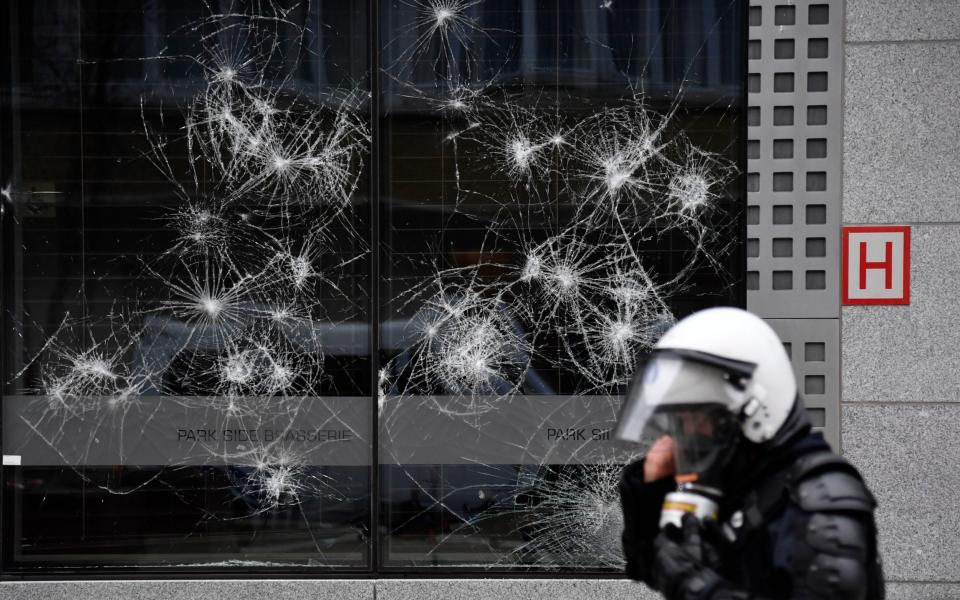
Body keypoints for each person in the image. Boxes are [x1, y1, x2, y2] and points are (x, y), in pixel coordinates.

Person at [616, 307, 884, 599]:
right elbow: (655, 567)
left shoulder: (820, 497)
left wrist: (695, 586)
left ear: (754, 409)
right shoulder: (739, 481)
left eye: (699, 419)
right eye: (680, 422)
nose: (685, 436)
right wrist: (649, 488)